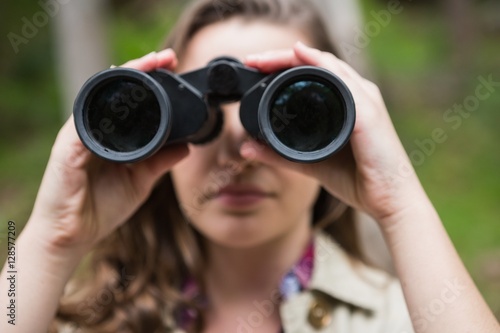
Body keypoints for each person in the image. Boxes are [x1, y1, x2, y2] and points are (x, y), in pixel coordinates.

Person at [1, 0, 499, 332]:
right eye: (205, 121)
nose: (238, 151)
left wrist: (400, 204)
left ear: (335, 132)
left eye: (287, 117)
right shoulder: (78, 313)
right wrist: (51, 239)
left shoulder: (405, 314)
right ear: (162, 125)